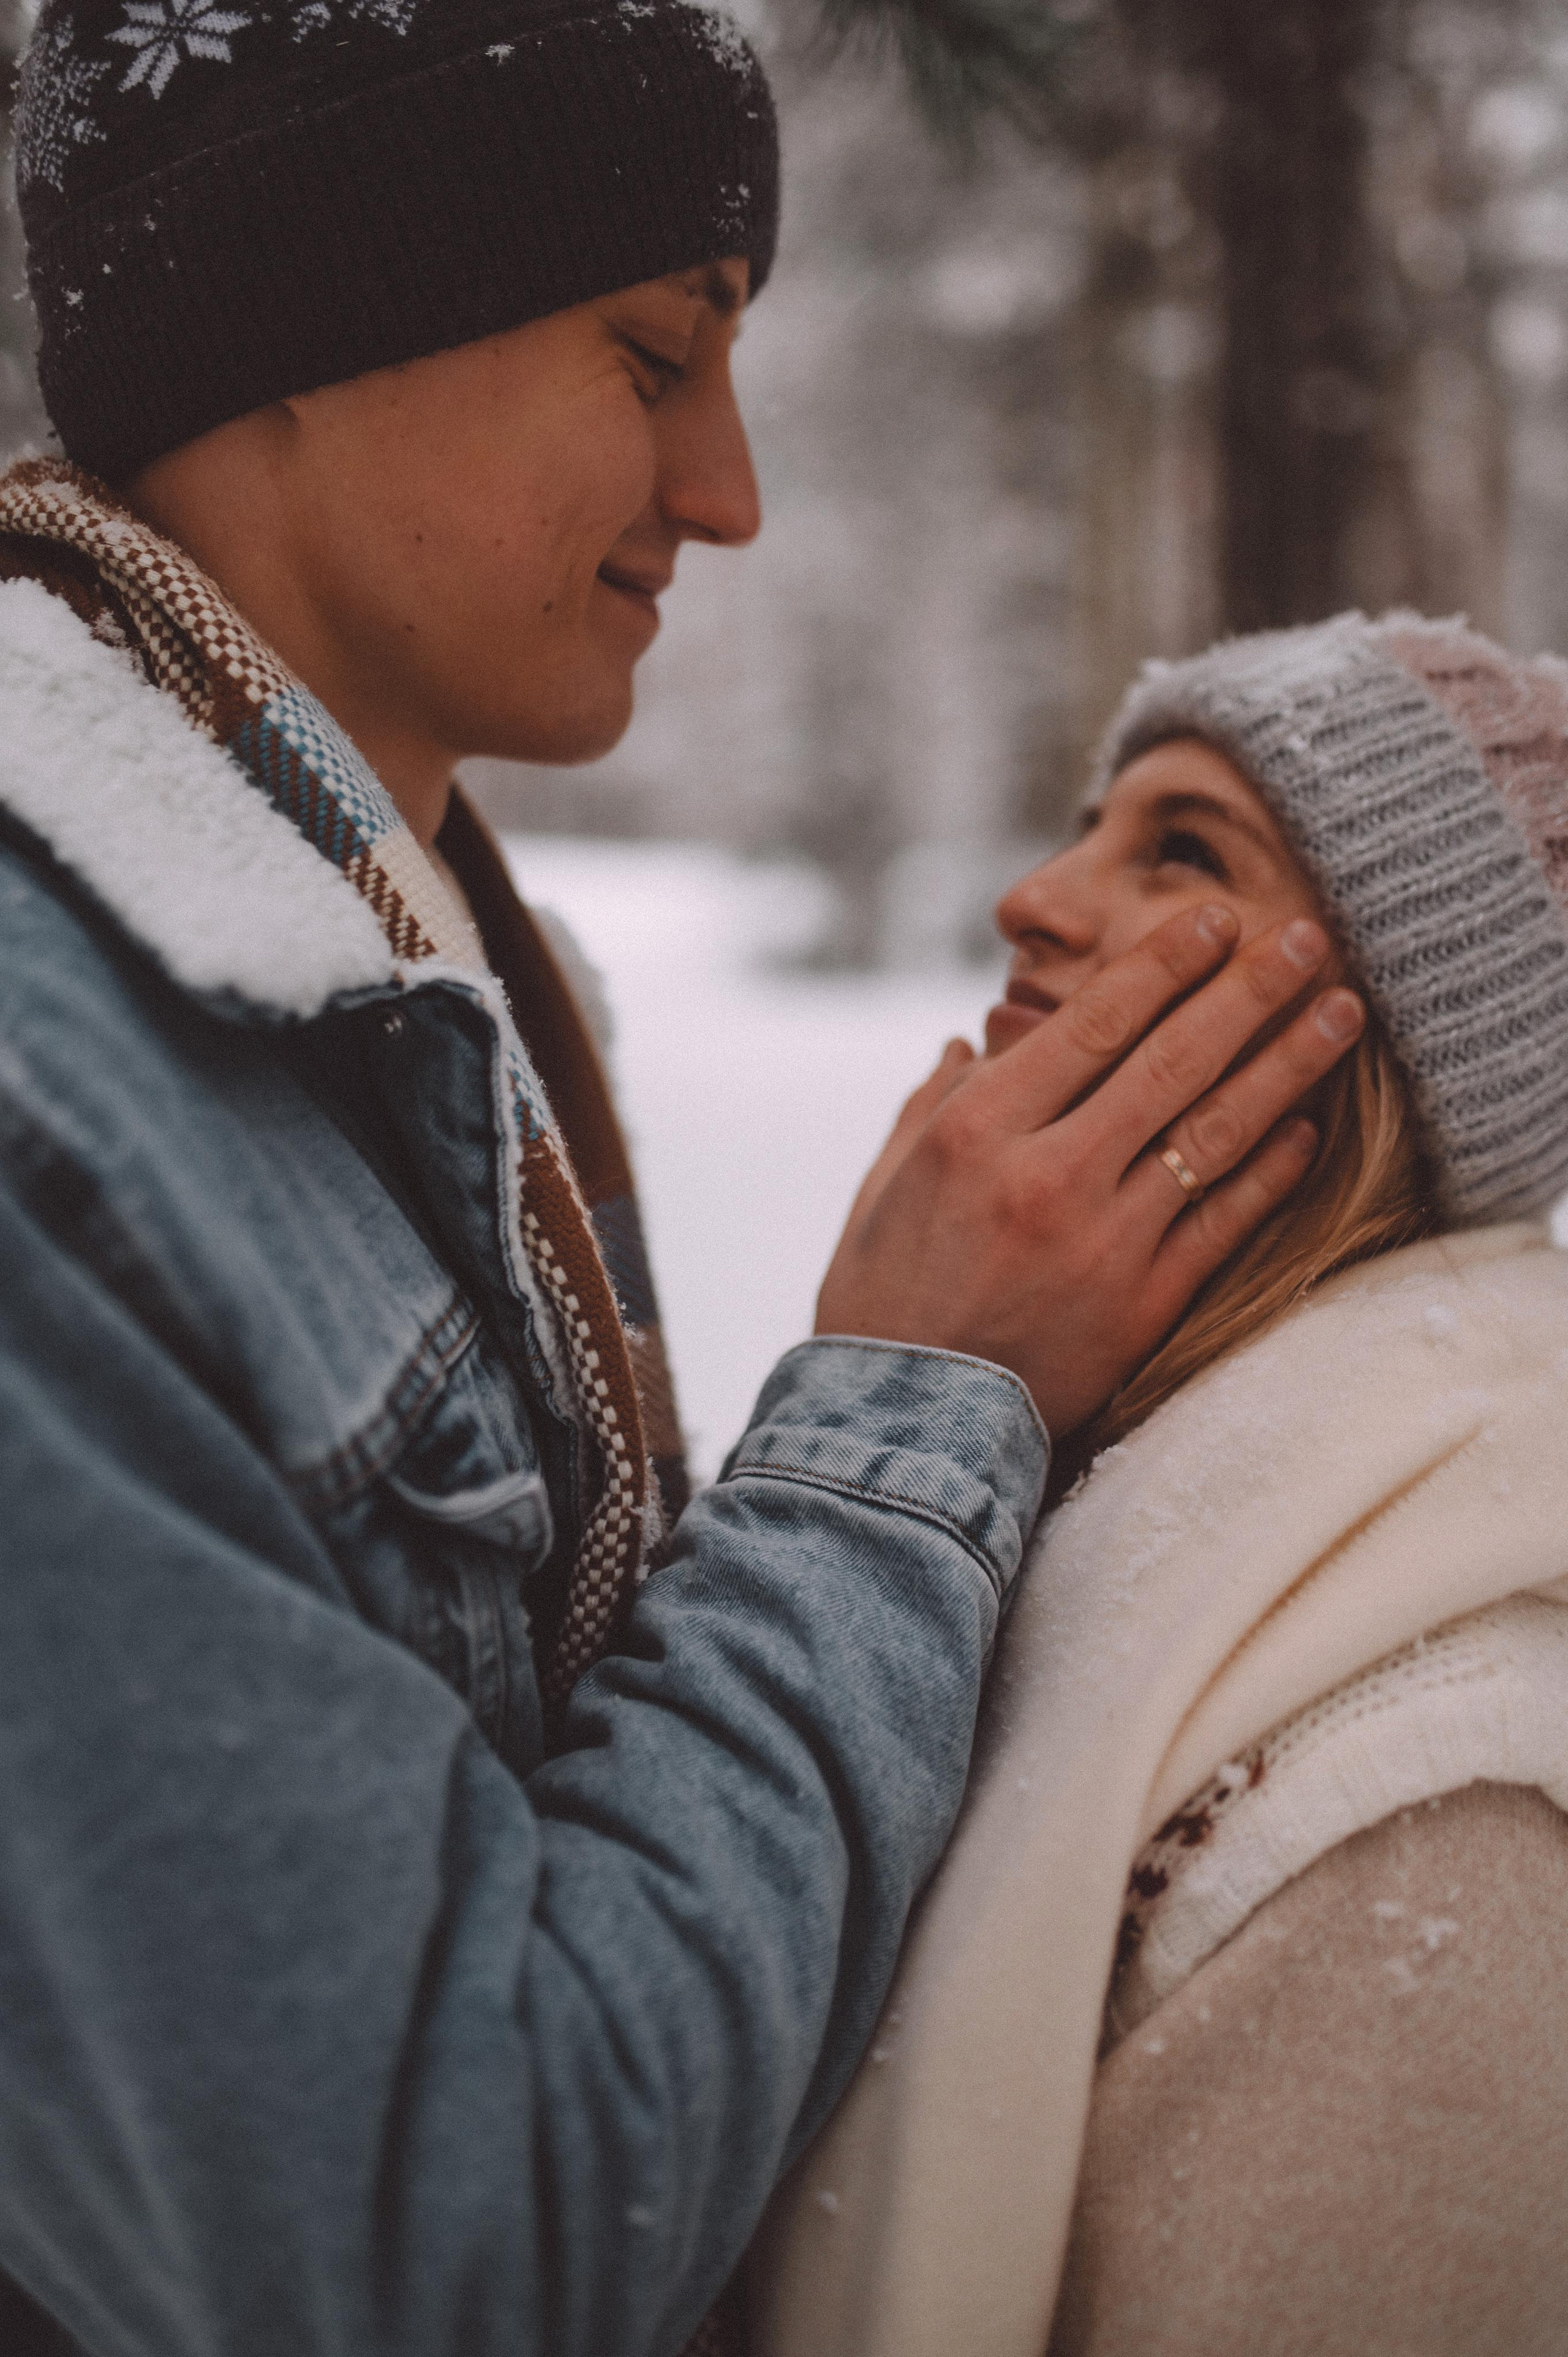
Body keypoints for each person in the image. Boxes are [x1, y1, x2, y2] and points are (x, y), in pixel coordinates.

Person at [0, 6, 1365, 2353]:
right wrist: (900, 1418)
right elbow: (453, 2241)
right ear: (319, 311)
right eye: (654, 358)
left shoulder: (401, 977)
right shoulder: (51, 1115)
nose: (726, 494)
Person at [756, 611, 1568, 2357]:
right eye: (1091, 823)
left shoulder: (1429, 1808)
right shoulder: (1053, 1505)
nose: (1035, 898)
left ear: (1380, 1046)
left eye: (1184, 850)